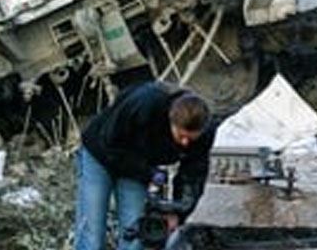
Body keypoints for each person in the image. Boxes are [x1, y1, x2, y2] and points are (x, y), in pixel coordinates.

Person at [75, 80, 215, 250]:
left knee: (136, 237)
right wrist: (149, 173)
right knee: (92, 236)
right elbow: (109, 143)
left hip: (138, 167)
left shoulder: (205, 134)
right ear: (170, 120)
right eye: (180, 136)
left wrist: (176, 211)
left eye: (191, 138)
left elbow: (192, 176)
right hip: (100, 154)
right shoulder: (145, 102)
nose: (185, 143)